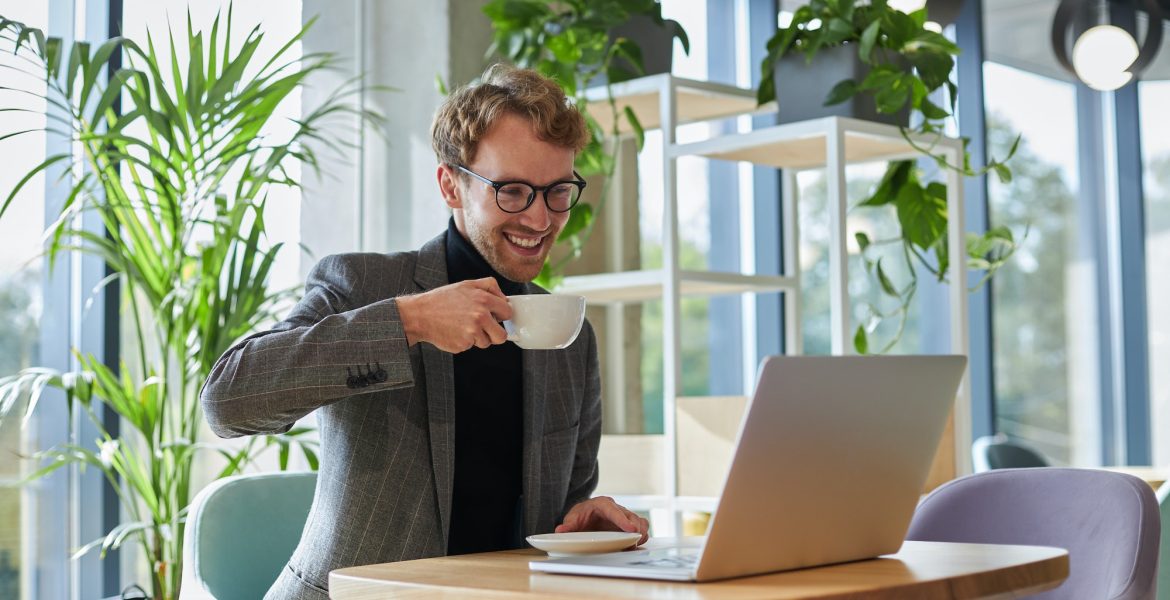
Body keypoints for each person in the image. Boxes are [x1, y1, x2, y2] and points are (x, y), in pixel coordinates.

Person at [199, 64, 649, 600]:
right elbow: (227, 402)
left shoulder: (566, 337)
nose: (539, 218)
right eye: (512, 191)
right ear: (450, 185)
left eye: (557, 192)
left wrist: (582, 522)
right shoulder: (364, 284)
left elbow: (562, 509)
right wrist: (406, 321)